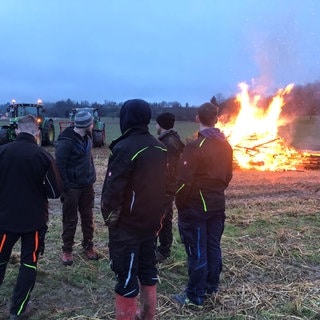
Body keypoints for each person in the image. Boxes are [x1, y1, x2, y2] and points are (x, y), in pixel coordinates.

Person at [101, 99, 167, 320]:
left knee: (126, 277)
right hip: (151, 223)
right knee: (148, 271)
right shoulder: (160, 146)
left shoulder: (124, 148)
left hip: (128, 228)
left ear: (125, 118)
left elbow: (112, 192)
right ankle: (148, 315)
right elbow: (166, 188)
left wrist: (111, 220)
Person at [0, 114, 63, 319]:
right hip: (33, 222)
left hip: (4, 220)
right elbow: (55, 192)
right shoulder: (43, 156)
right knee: (29, 263)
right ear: (37, 133)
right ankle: (18, 310)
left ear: (17, 131)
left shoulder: (2, 152)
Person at [172, 102, 233, 309]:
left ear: (198, 118)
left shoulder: (194, 147)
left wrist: (180, 204)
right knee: (213, 248)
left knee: (197, 251)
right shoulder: (226, 146)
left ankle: (194, 296)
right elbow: (227, 177)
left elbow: (183, 183)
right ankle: (210, 287)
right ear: (216, 119)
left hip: (196, 209)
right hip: (218, 206)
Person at [55, 110, 98, 266]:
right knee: (70, 219)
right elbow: (59, 166)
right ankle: (67, 250)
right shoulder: (65, 142)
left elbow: (89, 158)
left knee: (88, 217)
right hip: (72, 188)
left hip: (87, 185)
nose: (93, 125)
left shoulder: (88, 137)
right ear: (87, 125)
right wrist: (66, 187)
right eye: (91, 123)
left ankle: (88, 245)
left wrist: (92, 175)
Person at [155, 112, 184, 263]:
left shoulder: (168, 143)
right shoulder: (173, 139)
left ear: (161, 125)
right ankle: (162, 249)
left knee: (159, 219)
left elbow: (170, 169)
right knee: (165, 219)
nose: (155, 126)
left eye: (157, 123)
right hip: (167, 187)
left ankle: (162, 251)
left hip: (165, 188)